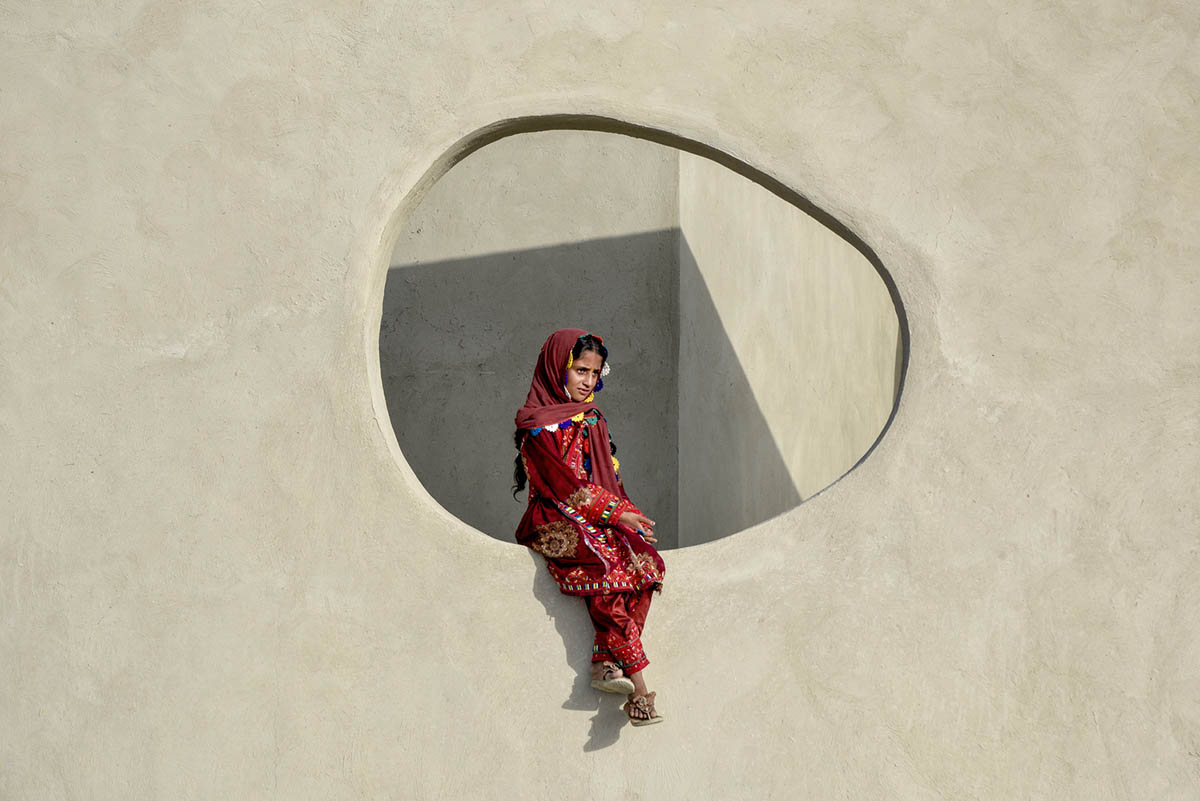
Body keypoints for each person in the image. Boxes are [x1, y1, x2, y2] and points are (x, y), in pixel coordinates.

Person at [513, 329, 666, 726]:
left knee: (646, 564)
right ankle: (641, 689)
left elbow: (608, 482)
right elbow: (562, 484)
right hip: (551, 516)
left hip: (596, 515)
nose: (588, 381)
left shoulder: (593, 419)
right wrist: (616, 515)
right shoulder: (536, 426)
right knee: (604, 563)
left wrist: (632, 518)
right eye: (580, 370)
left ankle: (604, 660)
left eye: (595, 373)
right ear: (557, 369)